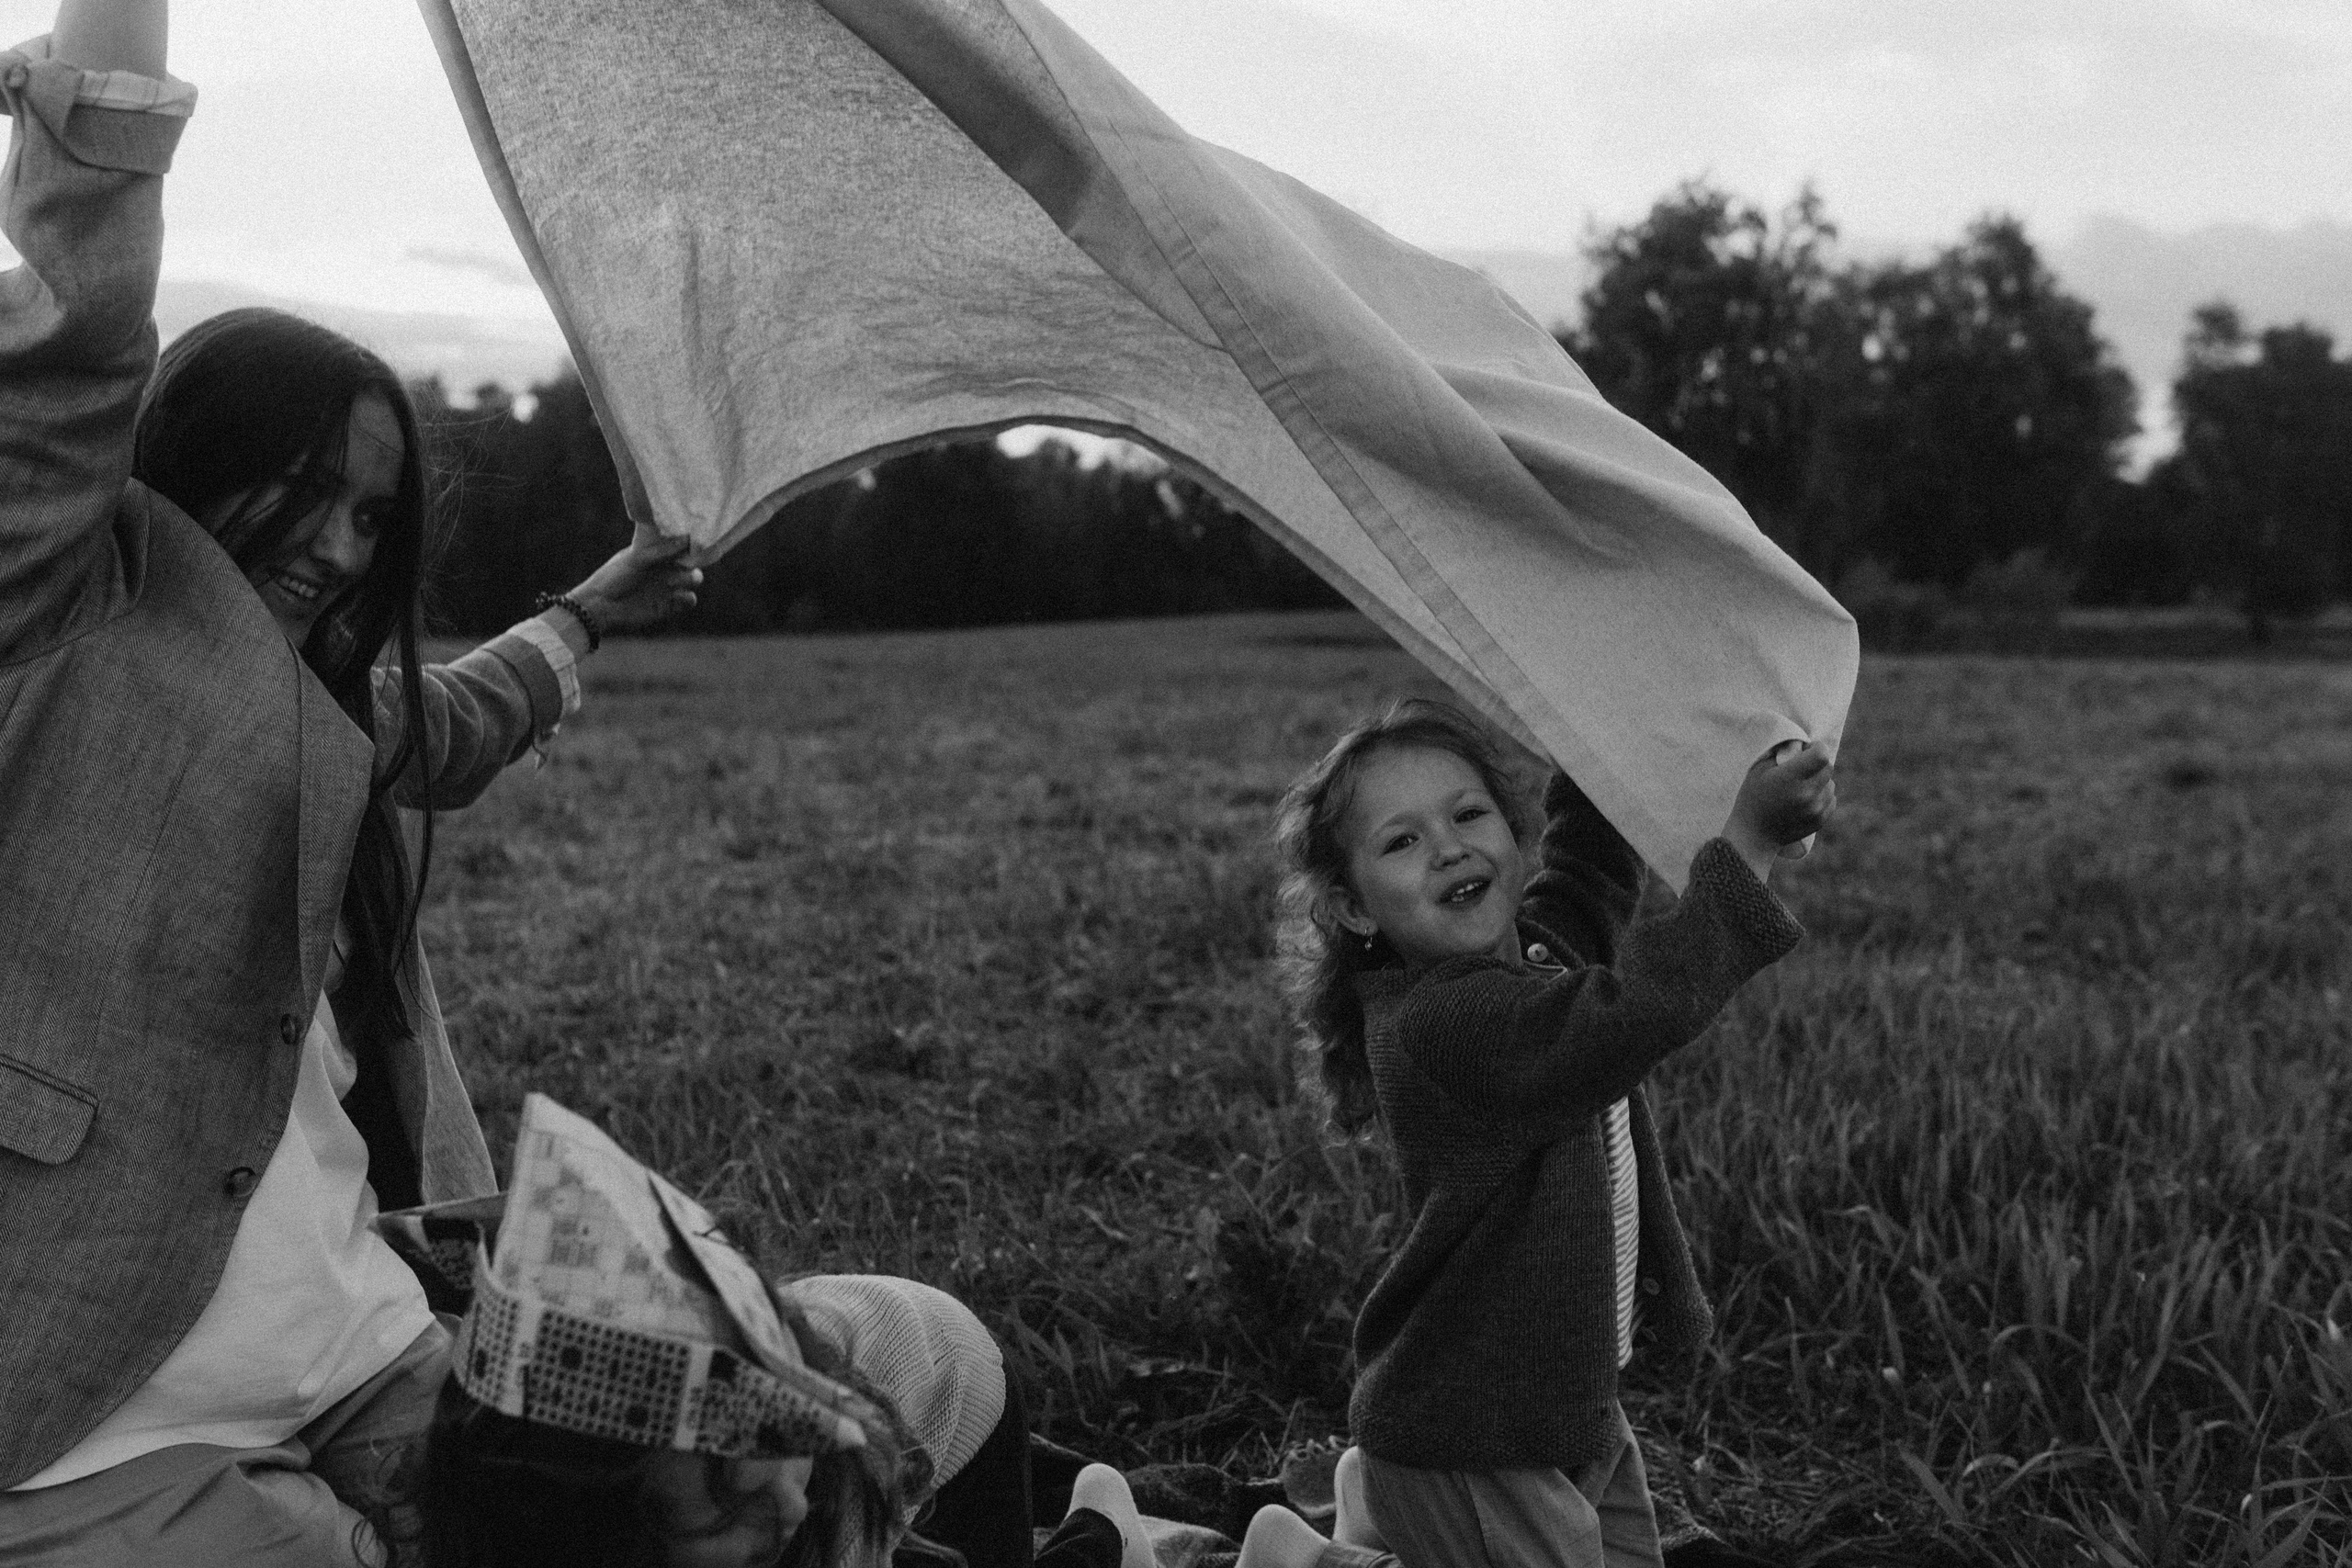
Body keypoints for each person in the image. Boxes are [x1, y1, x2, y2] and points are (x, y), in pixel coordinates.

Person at [0, 3, 699, 1562]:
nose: (337, 544)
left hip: (350, 1328)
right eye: (306, 488)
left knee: (678, 1498)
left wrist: (593, 606)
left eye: (372, 515)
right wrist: (101, 90)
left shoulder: (316, 702)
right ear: (185, 448)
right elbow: (71, 331)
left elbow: (452, 717)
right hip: (98, 1377)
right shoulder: (52, 607)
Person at [1239, 699, 1834, 1568]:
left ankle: (1322, 1552)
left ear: (1517, 839)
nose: (1447, 846)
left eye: (1469, 813)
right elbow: (1629, 1014)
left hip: (1559, 1401)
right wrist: (1748, 845)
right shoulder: (1445, 1022)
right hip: (1474, 1431)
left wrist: (1604, 719)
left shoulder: (1533, 958)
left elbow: (1589, 873)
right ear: (1355, 908)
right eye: (1401, 842)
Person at [390, 1094, 1159, 1568]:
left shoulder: (816, 1507)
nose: (786, 1510)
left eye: (785, 1458)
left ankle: (1103, 1531)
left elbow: (814, 1492)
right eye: (733, 1505)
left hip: (951, 1390)